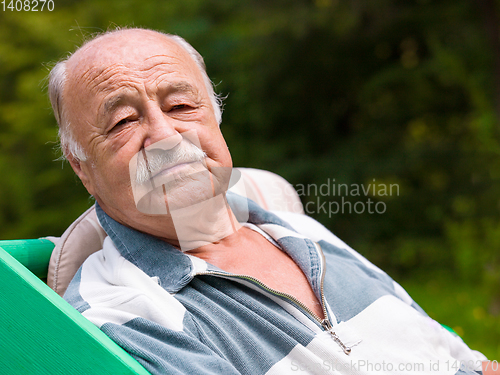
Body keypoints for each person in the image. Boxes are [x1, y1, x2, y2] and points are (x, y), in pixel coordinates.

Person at [48, 27, 487, 374]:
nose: (165, 136)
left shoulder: (300, 231)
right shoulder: (122, 313)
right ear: (83, 168)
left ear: (216, 120)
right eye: (124, 120)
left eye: (181, 106)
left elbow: (454, 352)